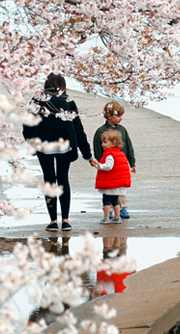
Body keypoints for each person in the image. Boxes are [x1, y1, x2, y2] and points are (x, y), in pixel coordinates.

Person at [22, 73, 91, 232]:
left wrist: (30, 142)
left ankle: (53, 221)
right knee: (63, 179)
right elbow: (78, 129)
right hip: (64, 145)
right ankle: (65, 220)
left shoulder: (36, 100)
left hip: (43, 145)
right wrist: (87, 153)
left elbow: (27, 125)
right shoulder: (68, 100)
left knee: (49, 180)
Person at [93, 100, 136, 219]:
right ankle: (109, 210)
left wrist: (132, 162)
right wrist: (98, 162)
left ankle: (123, 208)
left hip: (120, 164)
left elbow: (129, 146)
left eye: (122, 116)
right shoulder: (101, 131)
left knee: (120, 187)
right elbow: (97, 148)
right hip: (107, 163)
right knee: (108, 188)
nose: (120, 118)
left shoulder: (122, 130)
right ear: (109, 115)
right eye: (118, 116)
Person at [91, 129, 131, 224]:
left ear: (113, 143)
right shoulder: (121, 154)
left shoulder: (110, 155)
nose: (102, 144)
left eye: (105, 142)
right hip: (117, 183)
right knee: (115, 201)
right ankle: (117, 217)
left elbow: (108, 166)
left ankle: (106, 217)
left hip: (110, 183)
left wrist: (98, 165)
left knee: (106, 201)